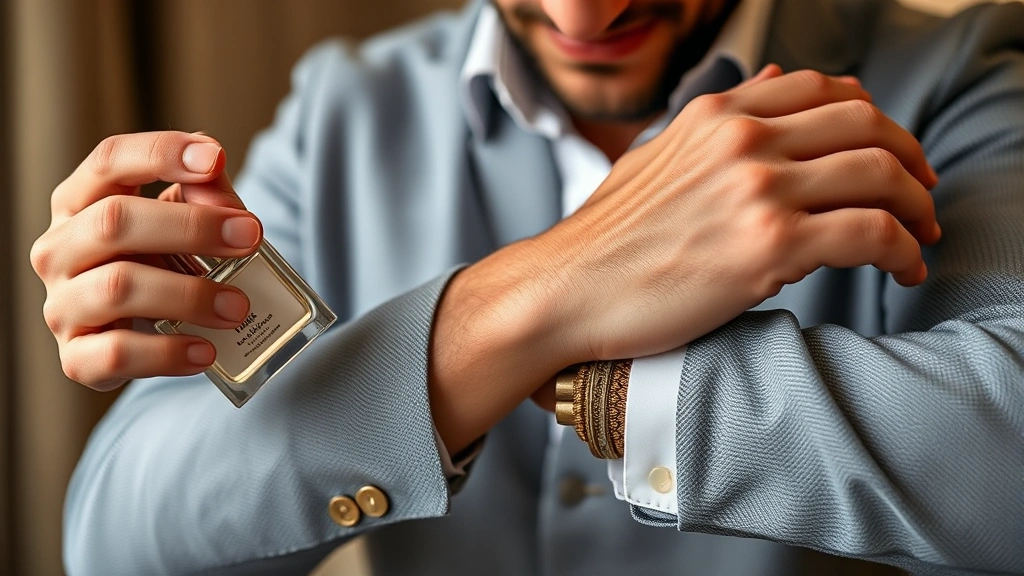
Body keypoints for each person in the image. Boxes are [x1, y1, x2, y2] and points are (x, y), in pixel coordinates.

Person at [32, 0, 1023, 573]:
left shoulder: (957, 73)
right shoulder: (343, 108)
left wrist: (600, 386)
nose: (580, 14)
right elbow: (113, 540)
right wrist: (548, 290)